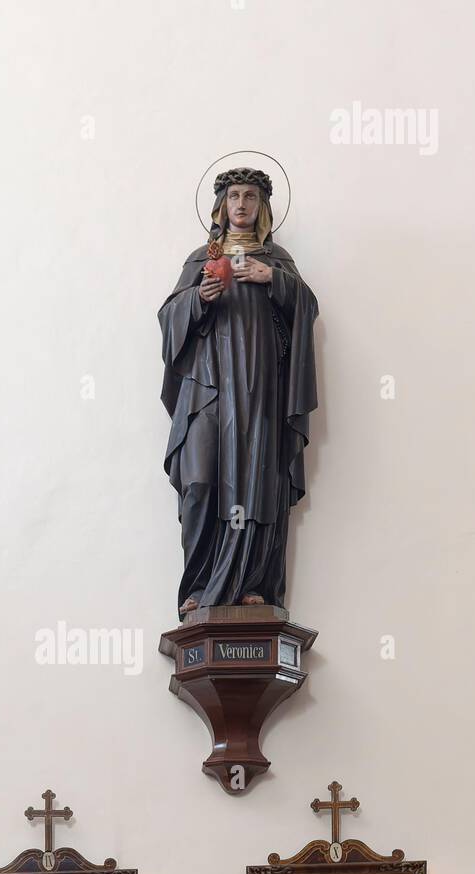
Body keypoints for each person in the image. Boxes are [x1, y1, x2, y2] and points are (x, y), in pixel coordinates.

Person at [159, 167, 318, 618]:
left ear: (262, 206)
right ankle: (200, 584)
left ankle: (252, 583)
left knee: (255, 477)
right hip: (208, 388)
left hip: (260, 387)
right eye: (234, 197)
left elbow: (307, 308)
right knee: (200, 479)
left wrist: (275, 281)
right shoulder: (201, 258)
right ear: (221, 206)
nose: (242, 204)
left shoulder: (277, 261)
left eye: (250, 197)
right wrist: (198, 298)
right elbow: (168, 321)